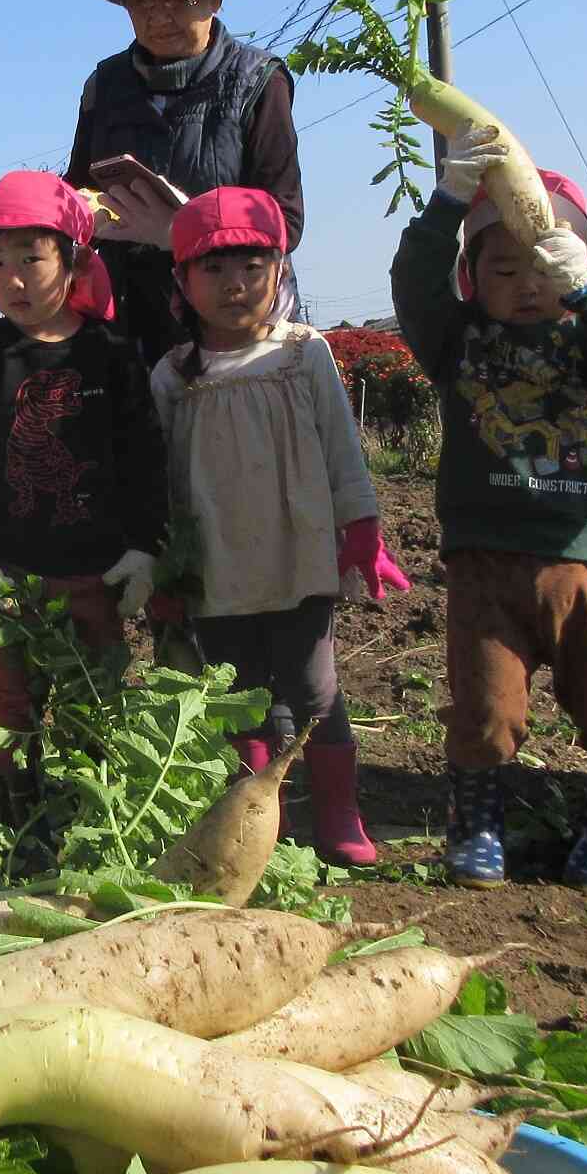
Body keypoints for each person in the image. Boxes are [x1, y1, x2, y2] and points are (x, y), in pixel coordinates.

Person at [390, 133, 587, 896]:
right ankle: (477, 821)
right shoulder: (458, 342)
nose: (524, 285)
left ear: (576, 267)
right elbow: (413, 284)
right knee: (483, 707)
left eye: (544, 266)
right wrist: (447, 202)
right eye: (501, 267)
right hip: (485, 557)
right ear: (471, 276)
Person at [150, 188, 405, 865]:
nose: (236, 286)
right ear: (182, 281)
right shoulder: (174, 376)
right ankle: (258, 822)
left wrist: (361, 527)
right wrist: (166, 569)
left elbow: (341, 448)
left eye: (253, 267)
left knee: (314, 687)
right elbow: (163, 483)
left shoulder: (303, 353)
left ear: (279, 269)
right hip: (218, 563)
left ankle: (338, 812)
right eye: (215, 270)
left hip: (300, 559)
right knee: (241, 698)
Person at [0, 171, 165, 784]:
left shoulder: (109, 353)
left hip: (94, 568)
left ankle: (82, 807)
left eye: (31, 259)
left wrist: (143, 546)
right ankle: (15, 808)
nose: (13, 279)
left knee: (92, 696)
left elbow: (143, 453)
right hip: (11, 571)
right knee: (10, 702)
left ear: (71, 261)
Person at [66, 0, 306, 365]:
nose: (159, 18)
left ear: (215, 0)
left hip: (231, 329)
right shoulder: (104, 86)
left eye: (177, 0)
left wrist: (181, 234)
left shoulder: (258, 81)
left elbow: (285, 223)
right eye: (142, 3)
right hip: (126, 327)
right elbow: (77, 189)